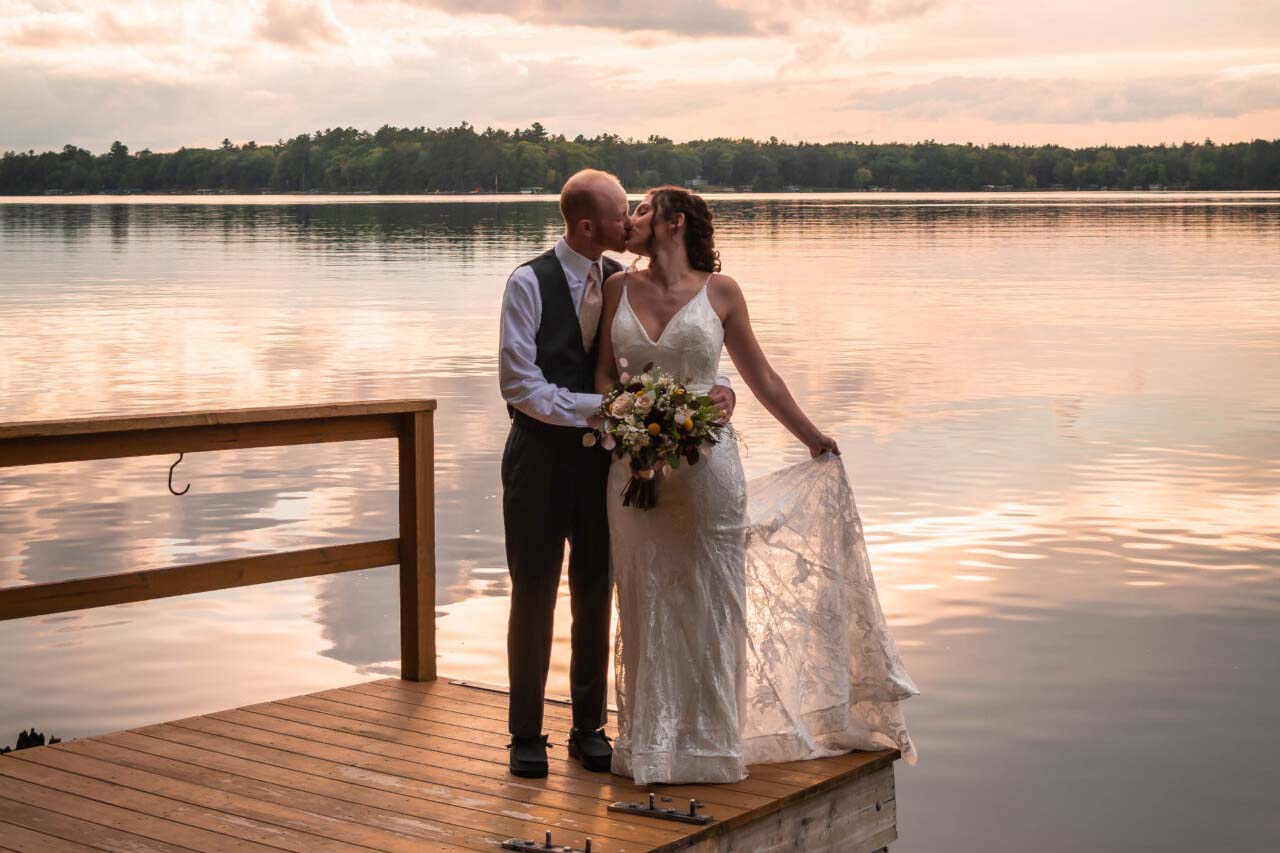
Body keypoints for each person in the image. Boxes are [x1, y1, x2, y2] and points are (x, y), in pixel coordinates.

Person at [595, 186, 916, 785]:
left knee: (713, 599)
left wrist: (811, 435)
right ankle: (649, 745)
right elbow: (603, 379)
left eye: (642, 209)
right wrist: (629, 417)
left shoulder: (721, 292)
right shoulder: (617, 287)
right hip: (634, 467)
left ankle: (713, 745)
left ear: (675, 222)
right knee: (642, 599)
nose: (631, 219)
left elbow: (759, 373)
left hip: (708, 467)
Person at [497, 170, 736, 778]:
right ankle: (526, 732)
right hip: (539, 461)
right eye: (617, 214)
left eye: (634, 212)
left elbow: (668, 353)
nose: (628, 221)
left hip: (606, 464)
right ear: (587, 225)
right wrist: (613, 410)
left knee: (596, 592)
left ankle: (588, 727)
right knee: (532, 593)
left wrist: (716, 391)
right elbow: (520, 385)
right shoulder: (528, 282)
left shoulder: (622, 282)